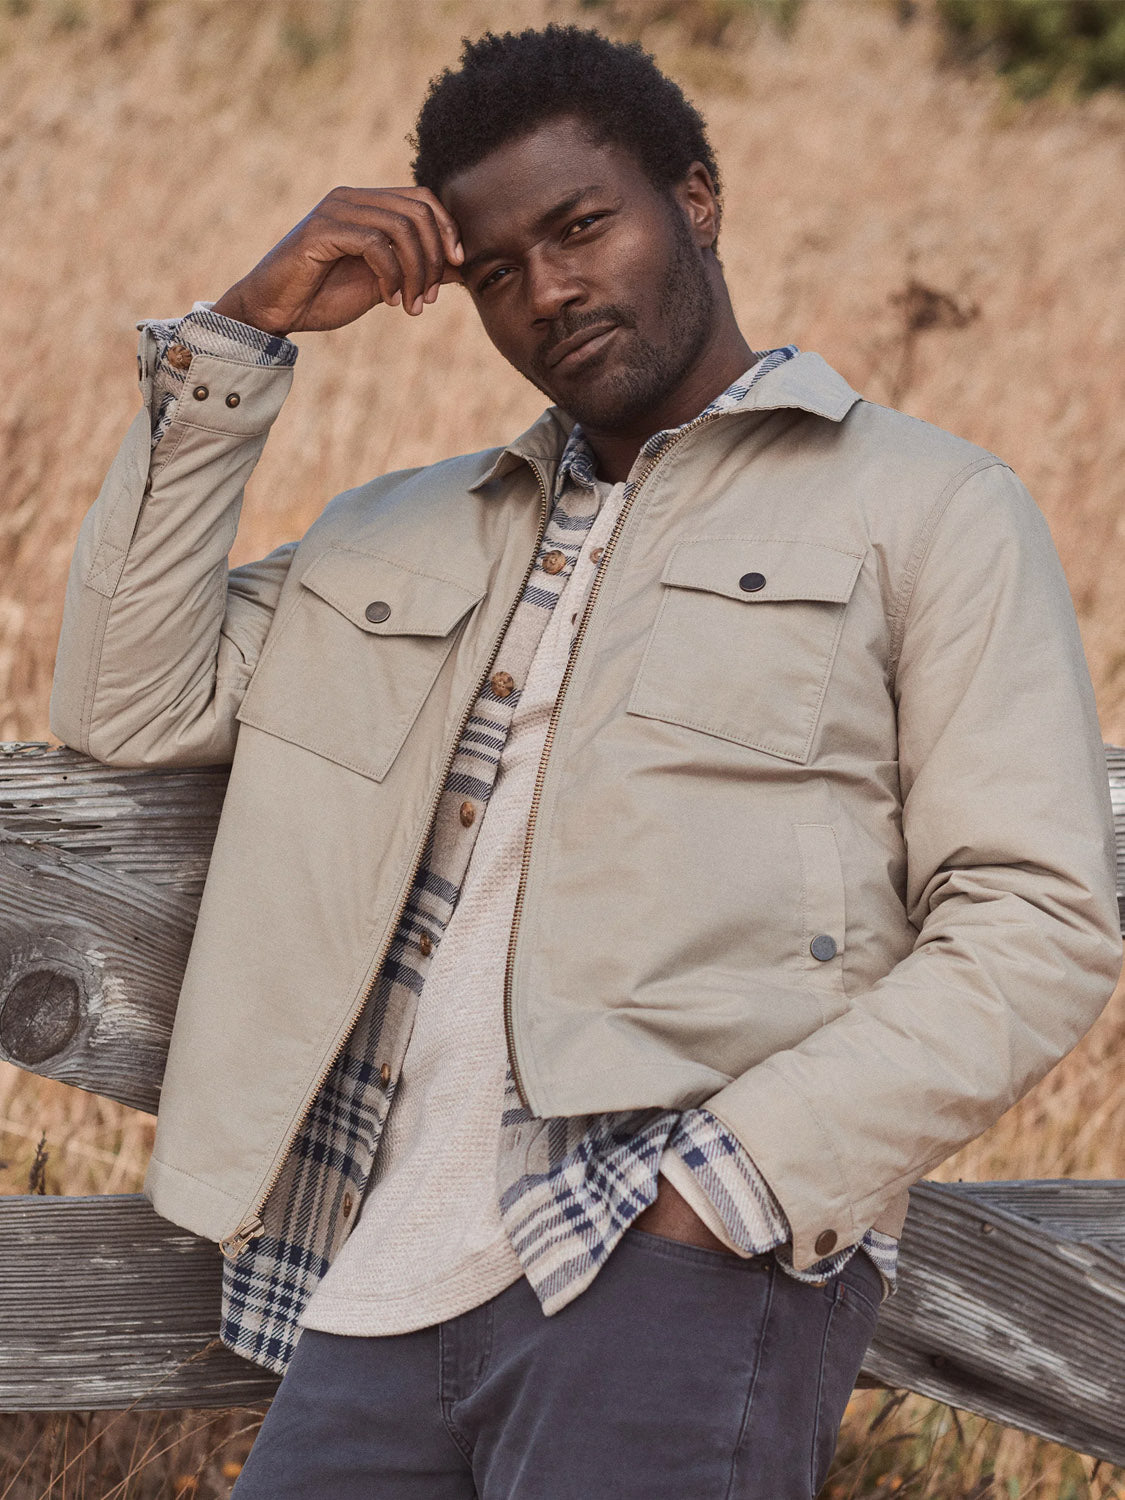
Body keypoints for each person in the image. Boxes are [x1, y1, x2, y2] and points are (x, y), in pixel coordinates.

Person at [50, 24, 1121, 1500]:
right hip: (362, 1279)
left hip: (670, 1269)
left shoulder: (927, 508)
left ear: (696, 197)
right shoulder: (396, 527)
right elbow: (124, 699)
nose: (547, 291)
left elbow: (1035, 917)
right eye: (494, 270)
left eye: (578, 229)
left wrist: (721, 1187)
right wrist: (240, 337)